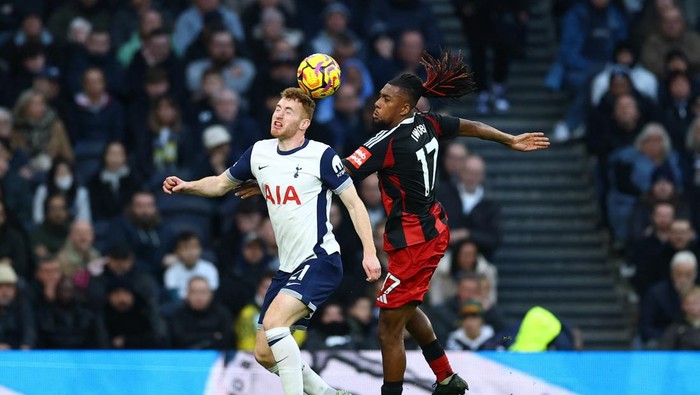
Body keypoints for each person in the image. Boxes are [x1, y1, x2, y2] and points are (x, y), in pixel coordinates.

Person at [235, 51, 549, 394]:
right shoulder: (427, 122)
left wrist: (275, 178)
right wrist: (507, 138)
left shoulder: (385, 142)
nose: (377, 104)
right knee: (405, 307)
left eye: (386, 99)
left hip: (416, 240)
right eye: (379, 95)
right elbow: (466, 126)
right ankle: (446, 377)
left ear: (404, 108)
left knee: (388, 326)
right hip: (427, 229)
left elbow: (333, 172)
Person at [163, 87, 381, 395]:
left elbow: (355, 204)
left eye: (288, 111)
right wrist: (187, 186)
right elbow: (219, 184)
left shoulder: (320, 155)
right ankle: (328, 394)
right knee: (264, 353)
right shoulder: (259, 153)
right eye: (277, 107)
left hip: (320, 259)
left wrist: (369, 253)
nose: (278, 113)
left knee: (277, 324)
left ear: (304, 123)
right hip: (288, 267)